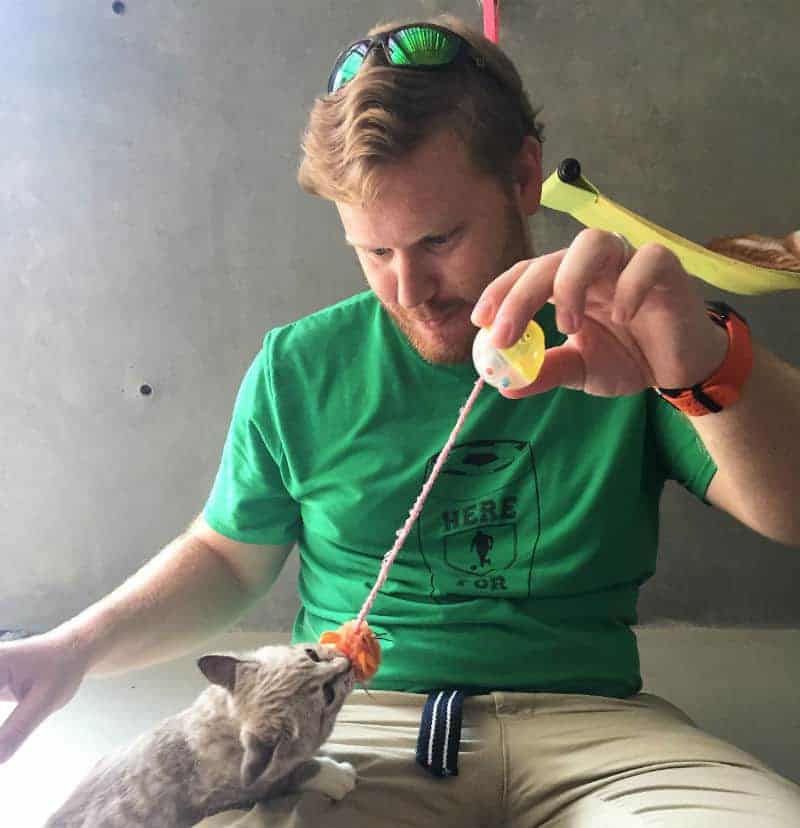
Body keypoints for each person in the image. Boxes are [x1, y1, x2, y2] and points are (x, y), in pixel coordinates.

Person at [2, 13, 800, 826]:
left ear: (524, 177)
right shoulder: (300, 367)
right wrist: (78, 648)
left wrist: (702, 361)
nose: (409, 289)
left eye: (439, 238)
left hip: (602, 733)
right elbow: (227, 557)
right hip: (351, 732)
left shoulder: (627, 339)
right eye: (375, 253)